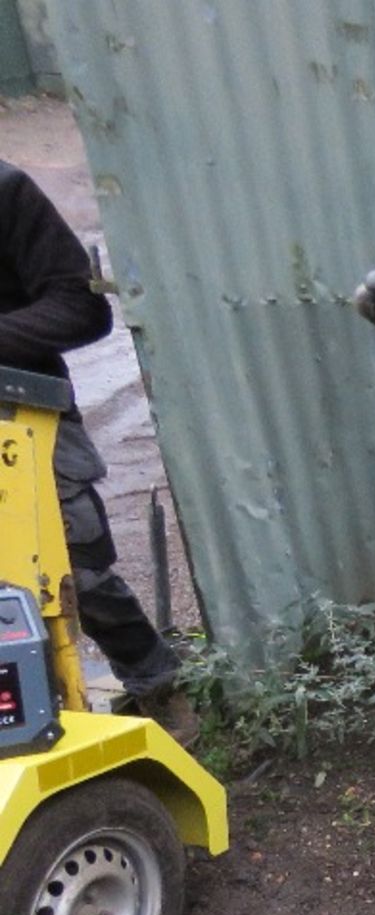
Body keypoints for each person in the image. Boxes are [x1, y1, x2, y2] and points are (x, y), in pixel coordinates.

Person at [0, 158, 180, 705]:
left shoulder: (5, 191)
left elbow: (80, 307)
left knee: (76, 572)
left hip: (21, 414)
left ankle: (159, 685)